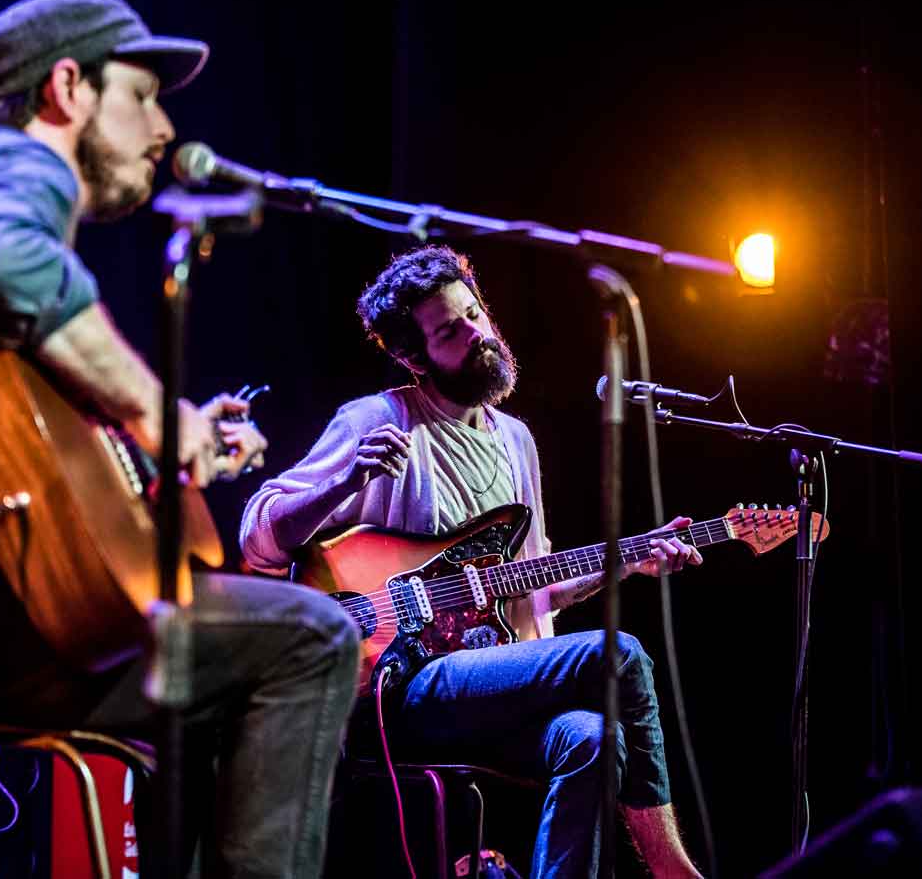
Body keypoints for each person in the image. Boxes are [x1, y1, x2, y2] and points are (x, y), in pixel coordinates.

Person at [0, 0, 358, 878]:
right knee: (313, 635)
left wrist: (166, 444)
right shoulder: (16, 170)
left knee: (227, 681)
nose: (164, 128)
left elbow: (31, 461)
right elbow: (4, 255)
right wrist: (158, 418)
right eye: (142, 94)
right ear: (67, 89)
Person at [241, 245, 706, 878]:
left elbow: (537, 584)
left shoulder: (515, 441)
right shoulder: (381, 419)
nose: (478, 335)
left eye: (475, 314)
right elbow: (259, 536)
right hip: (399, 686)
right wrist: (342, 483)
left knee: (600, 739)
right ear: (413, 356)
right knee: (617, 654)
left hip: (484, 687)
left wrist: (629, 561)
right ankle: (674, 871)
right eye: (450, 331)